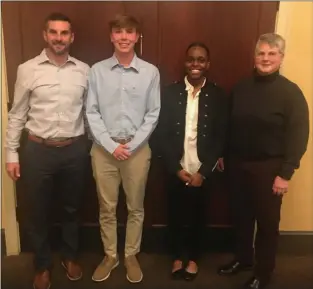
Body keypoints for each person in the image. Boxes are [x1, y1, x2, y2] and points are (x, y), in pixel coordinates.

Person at [217, 33, 309, 289]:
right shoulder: (241, 87)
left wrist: (286, 173)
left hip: (270, 169)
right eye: (261, 53)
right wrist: (224, 154)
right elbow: (229, 124)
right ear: (254, 56)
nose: (265, 58)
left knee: (267, 224)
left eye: (272, 53)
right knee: (241, 217)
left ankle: (263, 273)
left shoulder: (291, 93)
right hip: (237, 164)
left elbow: (299, 135)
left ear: (281, 58)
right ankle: (244, 259)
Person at [5, 12, 90, 289]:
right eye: (53, 32)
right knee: (37, 211)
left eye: (64, 33)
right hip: (37, 151)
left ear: (71, 37)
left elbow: (90, 114)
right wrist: (11, 154)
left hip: (74, 150)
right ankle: (42, 265)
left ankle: (69, 256)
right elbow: (16, 114)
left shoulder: (84, 70)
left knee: (71, 208)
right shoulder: (27, 69)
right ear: (45, 35)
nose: (58, 38)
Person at [85, 14, 160, 284]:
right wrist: (111, 145)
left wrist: (131, 145)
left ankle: (130, 254)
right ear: (111, 36)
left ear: (137, 36)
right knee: (107, 207)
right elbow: (91, 112)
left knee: (135, 207)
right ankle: (110, 255)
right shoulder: (97, 71)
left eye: (129, 32)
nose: (124, 37)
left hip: (137, 150)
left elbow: (153, 113)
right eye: (118, 32)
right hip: (103, 150)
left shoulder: (150, 72)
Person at [157, 42, 228, 281]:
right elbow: (162, 134)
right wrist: (175, 169)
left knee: (200, 216)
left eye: (200, 60)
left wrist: (204, 172)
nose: (195, 64)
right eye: (191, 59)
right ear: (185, 63)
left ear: (207, 64)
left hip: (202, 169)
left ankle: (195, 258)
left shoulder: (218, 95)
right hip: (176, 167)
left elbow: (221, 136)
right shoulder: (170, 92)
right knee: (175, 214)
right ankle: (177, 256)